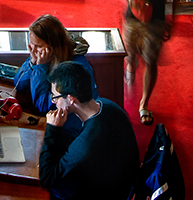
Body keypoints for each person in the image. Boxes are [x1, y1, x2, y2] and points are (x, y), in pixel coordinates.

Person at [38, 61, 139, 200]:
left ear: (71, 99)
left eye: (55, 96)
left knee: (47, 189)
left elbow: (46, 177)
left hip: (106, 194)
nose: (53, 102)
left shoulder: (86, 144)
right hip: (125, 183)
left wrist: (52, 129)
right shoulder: (107, 104)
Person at [114, 0, 180, 125]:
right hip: (133, 18)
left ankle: (144, 104)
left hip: (156, 19)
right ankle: (130, 68)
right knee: (131, 55)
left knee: (150, 61)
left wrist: (172, 19)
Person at [13, 14, 98, 129]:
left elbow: (44, 107)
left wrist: (40, 67)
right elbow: (19, 84)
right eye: (31, 43)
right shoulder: (43, 55)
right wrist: (32, 62)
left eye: (37, 45)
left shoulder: (74, 68)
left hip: (73, 128)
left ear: (52, 47)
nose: (32, 49)